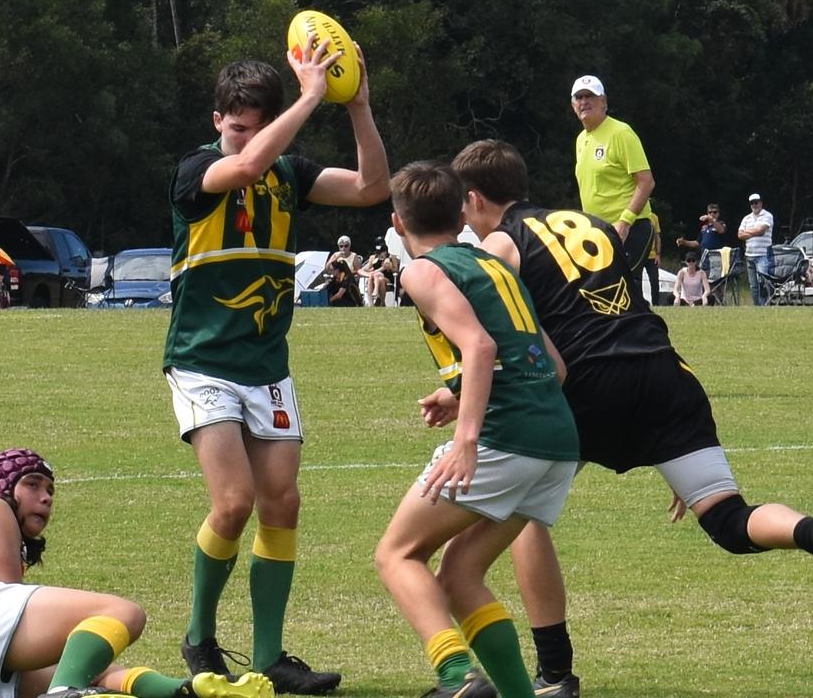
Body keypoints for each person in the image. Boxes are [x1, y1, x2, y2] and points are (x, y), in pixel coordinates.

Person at [451, 139, 813, 698]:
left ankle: (555, 673)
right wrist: (654, 440)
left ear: (474, 200)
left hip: (589, 382)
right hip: (668, 374)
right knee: (729, 520)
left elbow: (512, 337)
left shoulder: (500, 243)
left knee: (526, 515)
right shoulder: (588, 222)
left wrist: (459, 394)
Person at [163, 39, 388, 694]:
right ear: (216, 123)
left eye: (256, 129)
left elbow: (373, 186)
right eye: (236, 128)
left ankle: (267, 657)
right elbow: (244, 168)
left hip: (267, 364)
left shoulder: (288, 171)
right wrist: (311, 97)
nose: (247, 141)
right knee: (232, 503)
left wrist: (358, 106)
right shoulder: (196, 169)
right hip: (203, 361)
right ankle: (200, 638)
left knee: (281, 503)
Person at [375, 161, 579, 698]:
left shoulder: (421, 271)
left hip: (504, 438)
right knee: (461, 576)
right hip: (557, 440)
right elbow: (552, 367)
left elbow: (481, 347)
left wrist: (467, 441)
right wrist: (458, 392)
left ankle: (456, 674)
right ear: (459, 212)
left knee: (396, 555)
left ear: (399, 222)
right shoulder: (495, 265)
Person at [0, 448, 274, 698]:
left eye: (50, 489)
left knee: (92, 670)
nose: (45, 497)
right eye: (31, 484)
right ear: (1, 487)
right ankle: (65, 694)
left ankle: (186, 690)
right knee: (122, 614)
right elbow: (6, 588)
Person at [569, 75, 656, 280]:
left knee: (623, 289)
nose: (584, 102)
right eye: (579, 97)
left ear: (603, 102)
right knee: (603, 293)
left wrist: (625, 222)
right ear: (573, 105)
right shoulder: (581, 140)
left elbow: (646, 181)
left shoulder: (621, 133)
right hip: (598, 230)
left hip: (630, 228)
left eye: (590, 96)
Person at [737, 193, 774, 305]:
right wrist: (755, 231)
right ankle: (757, 306)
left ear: (761, 203)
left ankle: (766, 305)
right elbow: (739, 235)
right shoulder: (746, 218)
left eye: (756, 202)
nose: (754, 205)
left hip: (763, 254)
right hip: (749, 255)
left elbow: (761, 231)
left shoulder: (767, 215)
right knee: (753, 285)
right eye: (752, 203)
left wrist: (748, 232)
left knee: (763, 282)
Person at [358, 237, 399, 306]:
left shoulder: (391, 257)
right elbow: (362, 270)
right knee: (378, 277)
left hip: (387, 278)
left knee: (379, 276)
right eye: (378, 252)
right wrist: (371, 273)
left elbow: (396, 270)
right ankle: (376, 303)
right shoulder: (373, 258)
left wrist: (390, 267)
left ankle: (378, 297)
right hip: (375, 277)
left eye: (382, 251)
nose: (380, 254)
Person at [642, 213, 662, 305]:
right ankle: (640, 303)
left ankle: (655, 303)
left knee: (654, 280)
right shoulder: (634, 215)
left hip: (652, 255)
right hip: (639, 255)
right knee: (636, 281)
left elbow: (657, 237)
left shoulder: (654, 217)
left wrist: (658, 254)